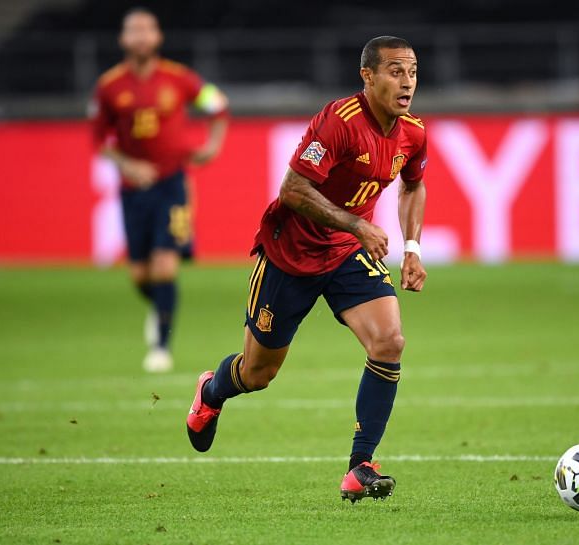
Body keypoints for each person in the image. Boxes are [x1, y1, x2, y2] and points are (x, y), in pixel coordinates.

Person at [185, 35, 428, 503]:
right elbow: (293, 189)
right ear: (368, 76)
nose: (407, 82)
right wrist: (358, 223)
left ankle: (360, 466)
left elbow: (413, 185)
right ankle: (212, 392)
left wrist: (412, 247)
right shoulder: (339, 122)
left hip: (345, 253)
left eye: (413, 72)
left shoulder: (413, 131)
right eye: (396, 71)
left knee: (390, 340)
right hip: (289, 255)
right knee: (257, 375)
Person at [90, 7, 229, 372]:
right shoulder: (109, 86)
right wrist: (128, 165)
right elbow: (99, 140)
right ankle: (159, 309)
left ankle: (161, 347)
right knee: (140, 274)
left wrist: (212, 146)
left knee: (165, 265)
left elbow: (217, 105)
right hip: (132, 190)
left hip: (172, 184)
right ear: (123, 39)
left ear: (157, 38)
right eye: (133, 30)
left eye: (146, 30)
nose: (140, 36)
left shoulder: (179, 79)